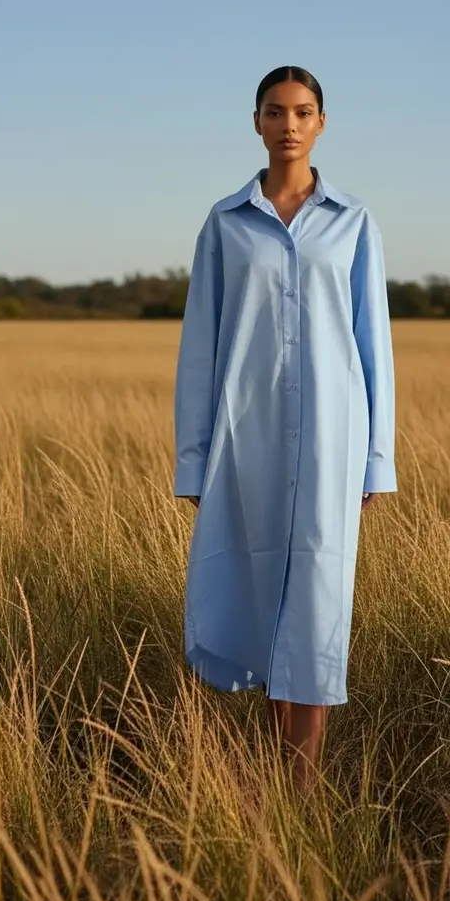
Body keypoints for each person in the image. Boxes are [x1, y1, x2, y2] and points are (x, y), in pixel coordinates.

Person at [173, 65, 397, 794]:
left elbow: (374, 347)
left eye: (303, 112)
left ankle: (300, 792)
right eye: (276, 111)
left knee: (319, 602)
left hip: (334, 441)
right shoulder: (225, 223)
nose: (290, 124)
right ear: (258, 122)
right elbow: (201, 350)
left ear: (321, 123)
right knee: (263, 598)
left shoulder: (354, 222)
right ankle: (282, 781)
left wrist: (375, 462)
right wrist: (194, 462)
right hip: (249, 442)